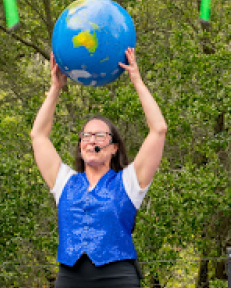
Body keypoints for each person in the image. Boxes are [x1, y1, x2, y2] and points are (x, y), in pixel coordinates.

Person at [30, 48, 166, 287]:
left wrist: (137, 80)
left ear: (114, 148)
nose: (92, 140)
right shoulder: (64, 182)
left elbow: (158, 129)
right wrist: (55, 88)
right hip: (70, 277)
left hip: (118, 277)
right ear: (81, 145)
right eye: (86, 135)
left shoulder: (129, 182)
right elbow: (38, 136)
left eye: (100, 135)